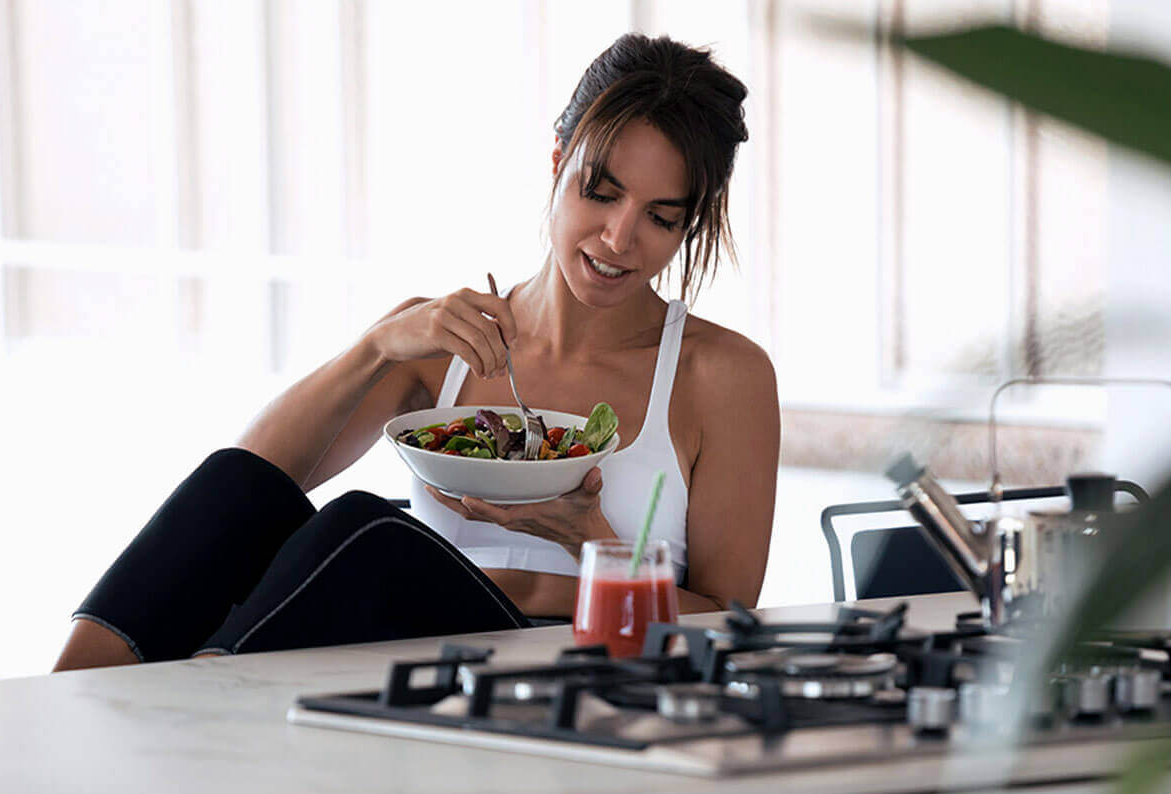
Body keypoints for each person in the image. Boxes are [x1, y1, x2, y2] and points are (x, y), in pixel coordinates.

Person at [52, 32, 780, 671]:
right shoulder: (443, 343)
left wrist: (591, 541)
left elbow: (729, 616)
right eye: (601, 193)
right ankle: (74, 698)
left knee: (366, 530)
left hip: (578, 658)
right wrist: (376, 347)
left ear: (692, 222)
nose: (620, 240)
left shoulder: (721, 375)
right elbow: (249, 485)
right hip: (410, 654)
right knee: (235, 490)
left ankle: (204, 698)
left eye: (660, 217)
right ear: (558, 161)